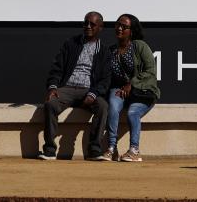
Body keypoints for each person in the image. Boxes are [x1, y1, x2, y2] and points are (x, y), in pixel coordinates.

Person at [39, 11, 111, 160]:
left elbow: (105, 79)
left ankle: (94, 150)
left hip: (89, 90)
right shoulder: (71, 44)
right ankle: (50, 150)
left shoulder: (104, 51)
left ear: (100, 27)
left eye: (92, 24)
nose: (88, 26)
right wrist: (52, 87)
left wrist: (93, 94)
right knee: (51, 104)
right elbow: (57, 68)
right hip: (68, 88)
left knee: (103, 107)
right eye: (86, 23)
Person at [103, 13, 159, 162]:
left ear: (131, 31)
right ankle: (111, 148)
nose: (120, 28)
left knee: (132, 113)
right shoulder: (111, 50)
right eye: (118, 25)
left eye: (124, 26)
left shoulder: (140, 46)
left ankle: (134, 150)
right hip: (120, 90)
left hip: (142, 91)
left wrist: (131, 83)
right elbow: (107, 76)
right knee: (113, 107)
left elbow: (150, 71)